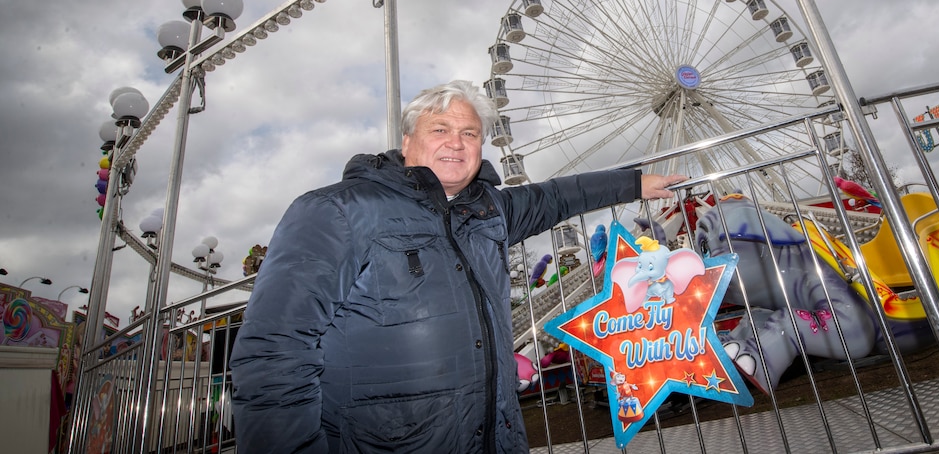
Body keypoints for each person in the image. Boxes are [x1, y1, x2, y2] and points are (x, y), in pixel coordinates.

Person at [230, 80, 685, 453]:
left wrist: (634, 183)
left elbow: (556, 197)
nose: (456, 143)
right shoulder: (336, 211)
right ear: (406, 141)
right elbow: (274, 350)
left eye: (469, 133)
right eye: (440, 129)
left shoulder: (488, 211)